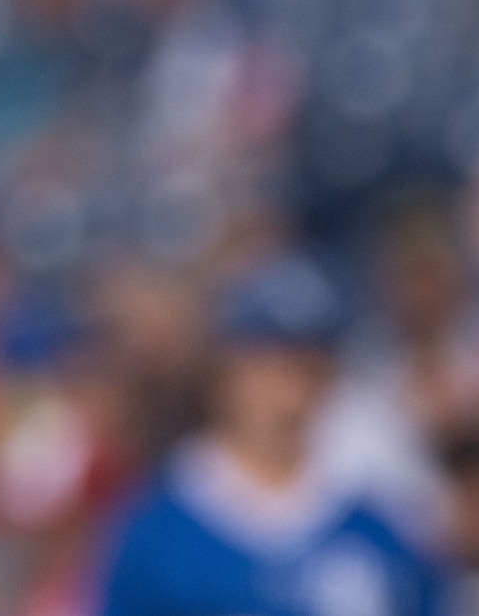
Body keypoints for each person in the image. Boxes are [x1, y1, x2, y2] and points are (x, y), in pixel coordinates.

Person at [98, 256, 447, 616]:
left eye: (308, 369)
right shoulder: (158, 528)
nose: (289, 395)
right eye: (267, 368)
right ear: (223, 374)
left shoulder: (379, 522)